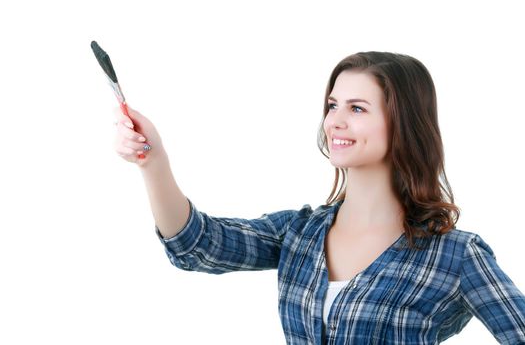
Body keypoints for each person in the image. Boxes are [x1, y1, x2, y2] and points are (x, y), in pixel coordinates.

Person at [113, 51, 525, 344]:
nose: (336, 121)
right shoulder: (299, 233)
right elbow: (197, 245)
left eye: (358, 108)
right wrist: (155, 162)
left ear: (403, 123)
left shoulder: (456, 256)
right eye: (332, 105)